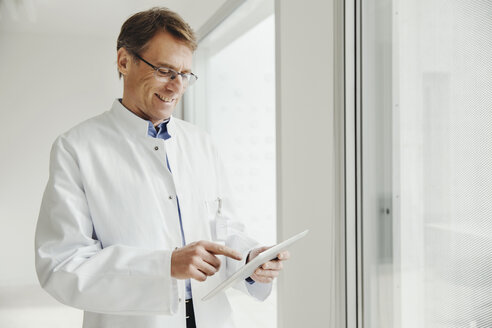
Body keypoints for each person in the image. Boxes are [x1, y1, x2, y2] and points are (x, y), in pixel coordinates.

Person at [34, 7, 289, 328]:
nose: (176, 87)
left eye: (185, 75)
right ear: (124, 61)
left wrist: (250, 261)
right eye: (165, 71)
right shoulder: (77, 147)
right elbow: (61, 265)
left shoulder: (202, 143)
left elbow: (224, 230)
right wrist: (165, 265)